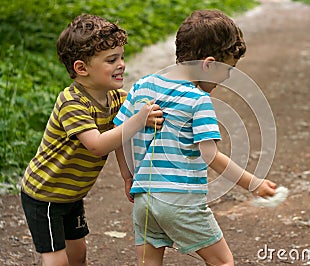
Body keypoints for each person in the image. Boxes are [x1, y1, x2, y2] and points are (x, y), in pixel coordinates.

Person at [114, 10, 277, 266]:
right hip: (180, 201)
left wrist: (128, 177)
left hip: (143, 200)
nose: (227, 77)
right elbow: (210, 155)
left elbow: (121, 136)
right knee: (222, 262)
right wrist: (253, 183)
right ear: (209, 64)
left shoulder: (143, 85)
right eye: (228, 69)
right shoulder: (198, 100)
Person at [20, 14, 163, 266]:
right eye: (111, 60)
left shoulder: (117, 99)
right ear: (81, 68)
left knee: (78, 256)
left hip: (72, 195)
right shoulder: (71, 102)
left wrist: (127, 175)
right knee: (57, 261)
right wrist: (138, 120)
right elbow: (97, 145)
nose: (121, 64)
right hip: (45, 194)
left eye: (121, 57)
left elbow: (120, 137)